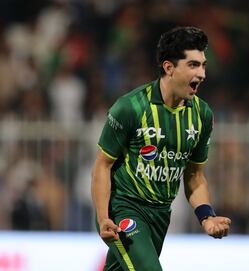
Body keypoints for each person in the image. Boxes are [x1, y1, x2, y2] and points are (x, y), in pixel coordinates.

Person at [91, 26, 231, 271]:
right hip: (123, 209)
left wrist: (206, 217)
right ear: (169, 68)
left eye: (203, 65)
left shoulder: (202, 115)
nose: (202, 74)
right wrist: (103, 217)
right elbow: (103, 165)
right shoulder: (130, 108)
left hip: (160, 215)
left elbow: (194, 175)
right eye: (193, 65)